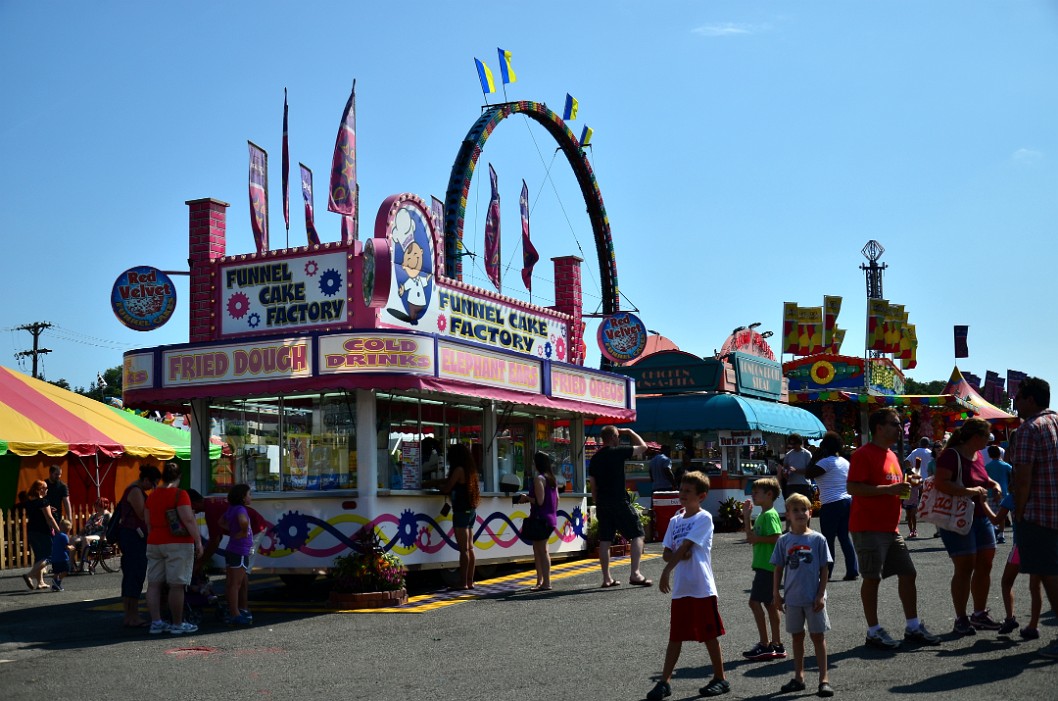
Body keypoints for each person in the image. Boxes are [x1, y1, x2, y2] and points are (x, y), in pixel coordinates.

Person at [847, 407, 940, 649]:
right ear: (879, 427)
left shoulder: (891, 456)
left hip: (890, 528)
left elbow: (895, 487)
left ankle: (912, 626)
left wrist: (909, 483)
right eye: (895, 424)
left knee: (909, 574)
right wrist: (889, 490)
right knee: (872, 579)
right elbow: (853, 488)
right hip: (868, 526)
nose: (900, 428)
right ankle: (873, 631)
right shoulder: (862, 454)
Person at [646, 471, 730, 700]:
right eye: (681, 490)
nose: (682, 494)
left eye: (688, 491)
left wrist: (667, 570)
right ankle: (664, 682)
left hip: (701, 586)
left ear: (701, 496)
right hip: (682, 588)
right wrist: (673, 559)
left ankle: (720, 678)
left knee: (709, 634)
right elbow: (667, 552)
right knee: (676, 636)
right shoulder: (675, 520)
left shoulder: (704, 518)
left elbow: (685, 547)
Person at [934, 417, 1003, 635]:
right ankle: (961, 618)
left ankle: (979, 614)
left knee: (985, 564)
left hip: (980, 516)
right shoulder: (951, 455)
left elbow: (982, 479)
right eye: (986, 437)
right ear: (976, 437)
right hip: (958, 517)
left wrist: (995, 484)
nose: (989, 441)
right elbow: (941, 483)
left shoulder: (977, 456)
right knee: (964, 567)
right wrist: (971, 492)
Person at [1010, 376, 1058, 659]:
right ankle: (1033, 624)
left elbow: (1023, 478)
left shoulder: (1029, 429)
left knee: (1049, 574)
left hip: (1039, 513)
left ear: (1030, 400)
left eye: (1018, 397)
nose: (1015, 401)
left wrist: (1018, 510)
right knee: (1044, 571)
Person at [771, 493, 834, 697]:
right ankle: (799, 677)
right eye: (794, 510)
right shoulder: (784, 540)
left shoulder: (818, 539)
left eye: (803, 509)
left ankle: (823, 679)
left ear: (810, 513)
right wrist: (776, 594)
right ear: (787, 515)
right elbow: (778, 568)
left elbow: (824, 568)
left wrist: (821, 594)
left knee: (817, 636)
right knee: (797, 637)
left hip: (813, 597)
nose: (799, 513)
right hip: (793, 598)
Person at [589, 425, 652, 588]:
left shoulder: (595, 458)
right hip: (619, 500)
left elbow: (593, 485)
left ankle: (606, 578)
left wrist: (597, 502)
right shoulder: (618, 452)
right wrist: (631, 432)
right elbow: (643, 447)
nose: (619, 439)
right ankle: (635, 573)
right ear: (613, 437)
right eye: (618, 436)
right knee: (638, 533)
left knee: (605, 540)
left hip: (602, 502)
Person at [144, 462, 203, 635]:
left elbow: (148, 522)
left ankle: (156, 622)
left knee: (154, 585)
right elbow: (188, 519)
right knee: (176, 585)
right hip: (178, 543)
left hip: (154, 542)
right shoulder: (180, 494)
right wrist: (198, 541)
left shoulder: (152, 496)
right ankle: (177, 623)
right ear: (179, 477)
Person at [740, 477, 786, 662]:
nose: (753, 494)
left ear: (769, 495)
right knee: (769, 605)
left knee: (754, 602)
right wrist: (745, 516)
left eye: (756, 492)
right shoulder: (762, 515)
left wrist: (758, 539)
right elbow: (750, 537)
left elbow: (777, 537)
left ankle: (766, 644)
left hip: (767, 566)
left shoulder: (770, 515)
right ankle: (776, 644)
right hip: (765, 565)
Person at [988, 492, 1043, 639]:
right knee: (1035, 586)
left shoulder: (1013, 496)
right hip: (1041, 544)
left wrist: (983, 503)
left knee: (1007, 582)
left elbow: (996, 520)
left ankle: (1010, 618)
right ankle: (1033, 625)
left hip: (1021, 546)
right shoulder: (1041, 493)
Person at [806, 431, 859, 581]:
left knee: (828, 539)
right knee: (844, 537)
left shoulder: (825, 462)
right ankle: (852, 570)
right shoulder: (844, 462)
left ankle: (827, 573)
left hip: (831, 503)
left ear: (825, 447)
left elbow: (808, 474)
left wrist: (815, 457)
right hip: (848, 501)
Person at [187, 489, 269, 577]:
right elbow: (217, 538)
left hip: (254, 529)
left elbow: (215, 541)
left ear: (194, 503)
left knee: (242, 567)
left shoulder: (211, 510)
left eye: (188, 507)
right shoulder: (211, 503)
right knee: (239, 567)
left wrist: (199, 563)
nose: (190, 510)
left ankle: (238, 589)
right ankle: (237, 588)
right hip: (252, 526)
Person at [118, 464, 160, 628]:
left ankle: (130, 615)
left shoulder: (133, 489)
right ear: (146, 479)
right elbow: (143, 514)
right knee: (135, 575)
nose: (153, 488)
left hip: (131, 537)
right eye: (153, 483)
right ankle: (132, 616)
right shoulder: (135, 491)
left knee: (131, 576)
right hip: (133, 538)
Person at [437, 443, 480, 590]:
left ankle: (463, 583)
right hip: (470, 511)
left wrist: (440, 487)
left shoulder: (458, 470)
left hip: (461, 512)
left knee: (463, 550)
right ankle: (470, 581)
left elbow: (447, 488)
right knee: (470, 547)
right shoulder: (470, 470)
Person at [518, 451, 559, 591]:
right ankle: (540, 581)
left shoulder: (539, 479)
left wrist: (526, 498)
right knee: (539, 549)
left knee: (541, 551)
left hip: (540, 519)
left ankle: (545, 582)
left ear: (537, 463)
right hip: (550, 518)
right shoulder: (552, 479)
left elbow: (539, 501)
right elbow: (556, 500)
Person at [222, 484, 254, 625]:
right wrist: (242, 531)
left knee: (231, 583)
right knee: (236, 584)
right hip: (239, 550)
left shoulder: (231, 509)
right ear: (243, 497)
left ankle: (233, 611)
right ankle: (235, 613)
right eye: (249, 494)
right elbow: (243, 521)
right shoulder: (241, 509)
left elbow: (221, 522)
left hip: (232, 548)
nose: (250, 497)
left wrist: (232, 531)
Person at [23, 480, 60, 591]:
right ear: (40, 490)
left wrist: (49, 509)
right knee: (49, 556)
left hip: (32, 531)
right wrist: (58, 531)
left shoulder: (30, 502)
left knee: (39, 557)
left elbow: (38, 514)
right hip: (43, 532)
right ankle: (29, 575)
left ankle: (40, 582)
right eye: (45, 488)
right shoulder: (44, 502)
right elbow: (49, 518)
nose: (47, 490)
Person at [73, 498, 111, 572]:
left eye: (97, 505)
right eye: (96, 505)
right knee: (73, 539)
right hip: (89, 535)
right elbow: (85, 527)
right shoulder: (94, 515)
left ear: (103, 505)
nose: (96, 506)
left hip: (100, 536)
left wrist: (103, 538)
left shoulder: (107, 516)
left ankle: (82, 565)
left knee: (86, 539)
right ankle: (71, 565)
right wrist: (78, 535)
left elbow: (107, 528)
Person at [984, 445, 1013, 544]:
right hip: (1003, 493)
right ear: (1000, 453)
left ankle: (993, 531)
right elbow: (1013, 473)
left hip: (991, 493)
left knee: (991, 515)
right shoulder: (1005, 466)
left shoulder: (987, 467)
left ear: (989, 455)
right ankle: (1001, 534)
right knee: (1002, 515)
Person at [782, 434, 815, 502]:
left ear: (799, 443)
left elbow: (810, 471)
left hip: (804, 485)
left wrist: (796, 470)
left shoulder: (807, 454)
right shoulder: (788, 455)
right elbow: (785, 468)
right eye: (791, 443)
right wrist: (785, 473)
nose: (793, 446)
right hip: (791, 485)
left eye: (794, 443)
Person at [50, 518, 73, 592]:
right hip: (63, 558)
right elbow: (66, 546)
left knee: (56, 571)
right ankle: (57, 580)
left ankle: (55, 586)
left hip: (54, 558)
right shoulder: (64, 536)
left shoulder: (56, 536)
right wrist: (71, 547)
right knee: (66, 570)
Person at [902, 458, 922, 538]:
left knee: (913, 515)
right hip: (907, 501)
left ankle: (914, 529)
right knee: (909, 516)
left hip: (914, 500)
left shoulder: (915, 482)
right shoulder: (905, 482)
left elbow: (920, 490)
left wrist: (920, 499)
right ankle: (911, 531)